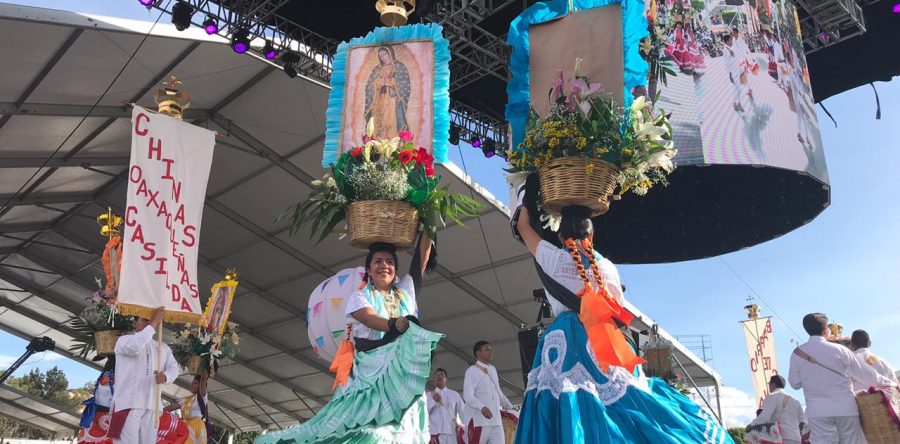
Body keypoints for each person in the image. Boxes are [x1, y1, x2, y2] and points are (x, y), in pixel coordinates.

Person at [511, 193, 734, 443]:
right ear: (592, 236)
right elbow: (616, 306)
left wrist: (525, 194)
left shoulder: (553, 258)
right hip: (605, 336)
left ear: (561, 236)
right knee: (625, 400)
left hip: (564, 338)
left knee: (564, 399)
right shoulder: (607, 266)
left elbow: (522, 227)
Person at [256, 236, 442, 444]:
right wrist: (392, 325)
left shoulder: (406, 291)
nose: (384, 266)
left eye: (389, 262)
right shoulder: (360, 296)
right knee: (369, 433)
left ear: (395, 270)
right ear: (369, 270)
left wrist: (429, 221)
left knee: (403, 432)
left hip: (402, 374)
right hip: (369, 375)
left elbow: (421, 261)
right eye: (378, 261)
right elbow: (368, 317)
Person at [788, 313, 896, 444]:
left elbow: (794, 384)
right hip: (846, 408)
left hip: (818, 411)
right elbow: (867, 375)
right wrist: (891, 383)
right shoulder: (840, 350)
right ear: (825, 330)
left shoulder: (797, 354)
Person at [108, 308, 180, 444]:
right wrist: (154, 323)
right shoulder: (124, 340)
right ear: (134, 323)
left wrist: (165, 376)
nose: (149, 323)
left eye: (151, 320)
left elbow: (174, 369)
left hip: (153, 406)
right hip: (129, 404)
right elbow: (135, 347)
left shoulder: (163, 347)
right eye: (144, 320)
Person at [463, 341, 515, 444]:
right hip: (479, 421)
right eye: (487, 350)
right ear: (478, 353)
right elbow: (467, 395)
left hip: (496, 420)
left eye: (491, 350)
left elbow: (498, 391)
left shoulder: (493, 369)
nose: (491, 352)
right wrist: (482, 407)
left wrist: (511, 408)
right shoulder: (471, 371)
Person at [365, 45, 411, 138]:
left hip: (393, 101)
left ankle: (392, 144)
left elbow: (404, 84)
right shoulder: (377, 69)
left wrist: (390, 82)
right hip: (380, 100)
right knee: (380, 122)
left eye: (384, 54)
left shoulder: (399, 67)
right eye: (380, 56)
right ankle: (379, 145)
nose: (383, 58)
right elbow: (369, 86)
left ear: (390, 53)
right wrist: (378, 83)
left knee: (391, 122)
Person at [747, 375, 805, 444]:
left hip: (780, 437)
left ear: (773, 384)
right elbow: (803, 420)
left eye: (769, 384)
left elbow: (765, 416)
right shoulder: (795, 400)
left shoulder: (773, 396)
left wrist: (751, 425)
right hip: (796, 438)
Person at [166, 372, 209, 444]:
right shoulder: (186, 400)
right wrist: (159, 411)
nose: (192, 385)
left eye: (195, 383)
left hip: (196, 427)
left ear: (200, 386)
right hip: (185, 426)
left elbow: (203, 380)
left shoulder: (202, 397)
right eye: (192, 383)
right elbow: (173, 407)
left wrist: (206, 364)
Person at [428, 368, 465, 444]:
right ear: (434, 380)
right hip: (434, 435)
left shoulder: (454, 395)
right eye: (436, 376)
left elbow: (463, 413)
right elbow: (424, 413)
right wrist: (434, 401)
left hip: (451, 434)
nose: (439, 377)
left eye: (441, 375)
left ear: (446, 379)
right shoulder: (428, 395)